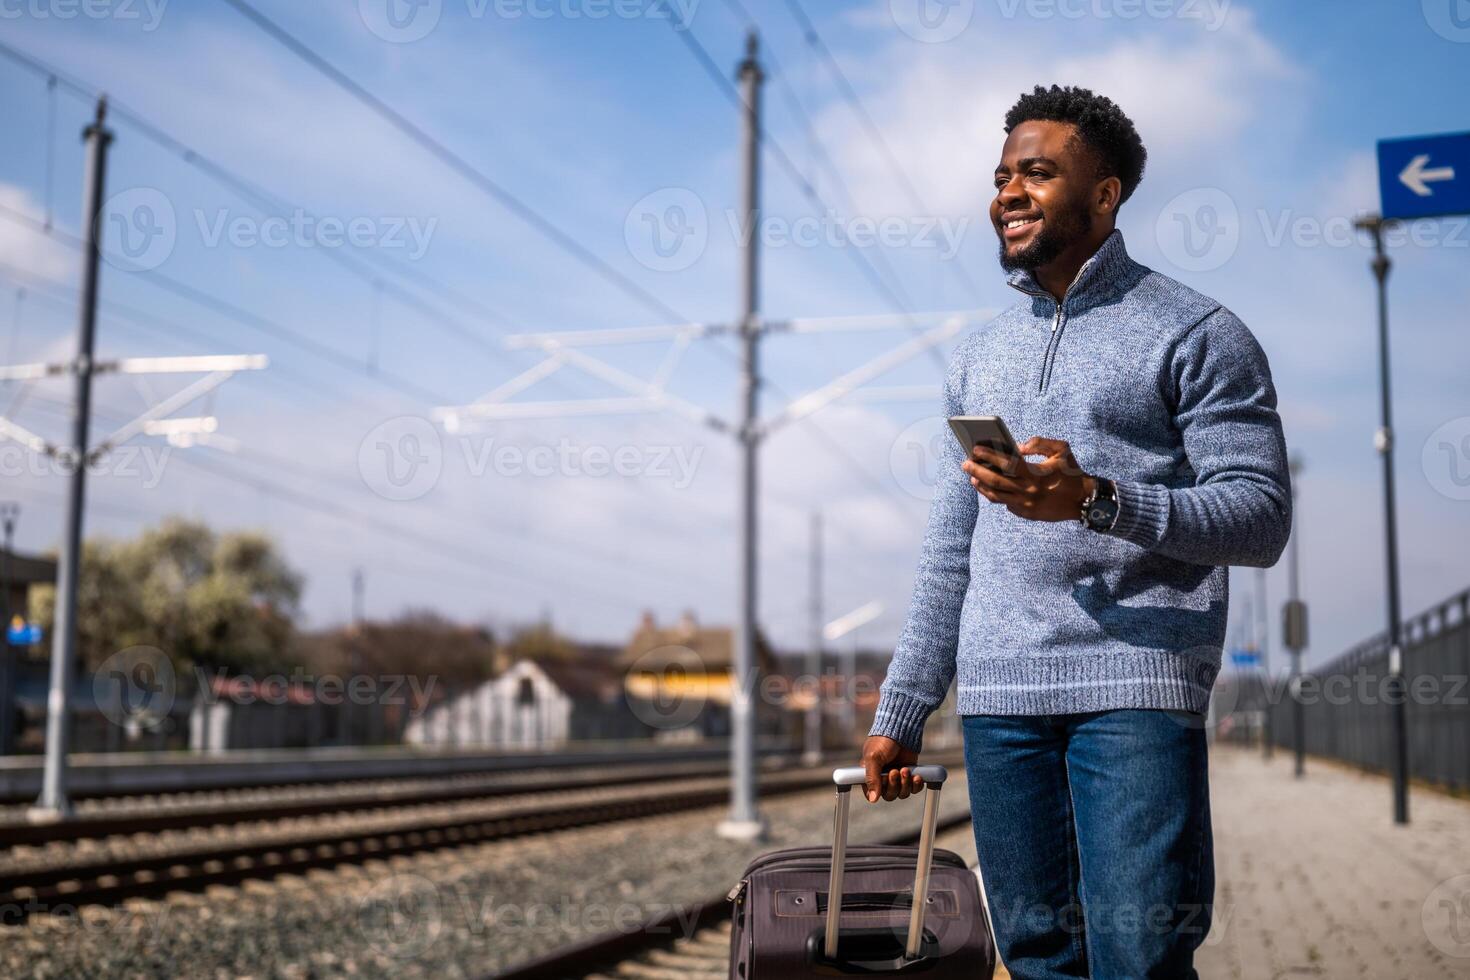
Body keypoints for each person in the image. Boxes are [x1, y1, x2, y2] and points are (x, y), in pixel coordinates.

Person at [860, 84, 1291, 980]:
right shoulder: (978, 355)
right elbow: (951, 551)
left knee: (1138, 955)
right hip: (1000, 700)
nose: (1008, 193)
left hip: (1134, 688)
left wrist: (1097, 497)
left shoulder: (1202, 333)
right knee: (1038, 955)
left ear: (1106, 195)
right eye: (1002, 175)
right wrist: (902, 709)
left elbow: (1259, 517)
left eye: (1038, 173)